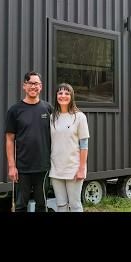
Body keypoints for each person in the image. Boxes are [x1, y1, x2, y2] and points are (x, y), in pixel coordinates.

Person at [5, 71, 52, 212]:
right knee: (20, 206)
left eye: (36, 83)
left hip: (43, 167)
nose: (33, 86)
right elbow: (9, 139)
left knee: (42, 205)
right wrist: (12, 166)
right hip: (22, 168)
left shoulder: (48, 109)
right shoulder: (14, 110)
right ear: (24, 86)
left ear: (41, 86)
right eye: (30, 83)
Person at [49, 83, 90, 212]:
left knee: (75, 204)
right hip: (56, 169)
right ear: (56, 96)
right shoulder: (52, 117)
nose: (63, 96)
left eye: (67, 93)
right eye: (60, 93)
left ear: (71, 96)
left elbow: (84, 145)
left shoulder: (79, 117)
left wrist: (82, 169)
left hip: (74, 168)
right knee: (61, 205)